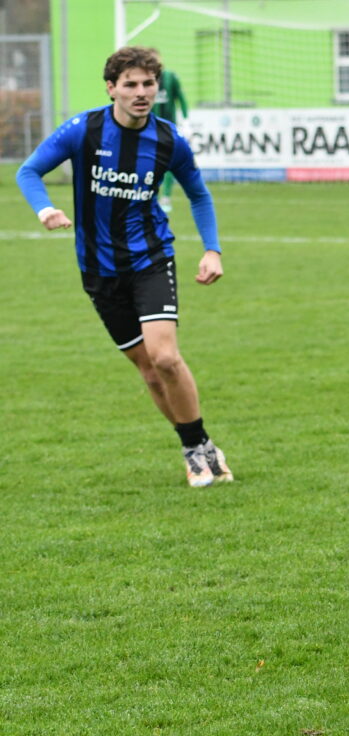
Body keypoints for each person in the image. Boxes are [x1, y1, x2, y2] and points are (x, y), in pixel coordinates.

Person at [15, 46, 231, 488]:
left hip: (151, 259)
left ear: (157, 88)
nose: (140, 92)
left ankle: (193, 453)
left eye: (148, 84)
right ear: (111, 87)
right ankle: (200, 442)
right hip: (97, 268)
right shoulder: (84, 129)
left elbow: (199, 195)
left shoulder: (170, 141)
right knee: (149, 370)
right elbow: (28, 172)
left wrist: (212, 249)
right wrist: (45, 210)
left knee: (166, 357)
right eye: (130, 84)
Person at [150, 58, 188, 213]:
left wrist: (186, 120)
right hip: (149, 129)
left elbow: (181, 99)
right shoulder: (144, 82)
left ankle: (165, 196)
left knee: (169, 162)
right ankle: (149, 195)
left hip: (168, 129)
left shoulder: (170, 78)